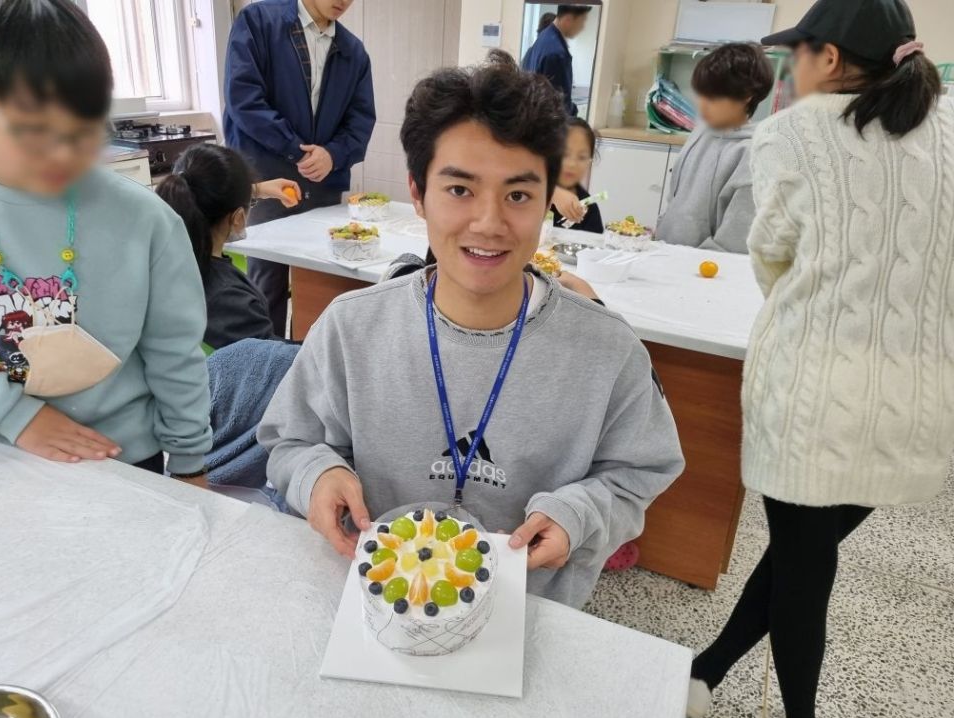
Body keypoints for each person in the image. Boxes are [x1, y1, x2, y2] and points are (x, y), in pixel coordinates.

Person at [257, 51, 684, 609]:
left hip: (531, 609)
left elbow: (640, 470)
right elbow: (290, 440)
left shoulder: (608, 351)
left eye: (518, 195)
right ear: (417, 192)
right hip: (376, 603)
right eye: (459, 190)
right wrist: (316, 474)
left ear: (549, 201)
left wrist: (580, 513)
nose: (488, 223)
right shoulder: (351, 329)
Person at [687, 1, 952, 718]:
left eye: (797, 54)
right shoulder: (952, 129)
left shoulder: (792, 135)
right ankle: (704, 671)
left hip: (813, 394)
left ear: (828, 59)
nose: (791, 70)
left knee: (804, 568)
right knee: (800, 556)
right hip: (916, 398)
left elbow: (772, 260)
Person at [0, 0, 211, 483]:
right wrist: (15, 414)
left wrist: (192, 464)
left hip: (125, 462)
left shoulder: (144, 219)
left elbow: (175, 353)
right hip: (5, 461)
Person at [224, 0, 376, 336]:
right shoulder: (258, 22)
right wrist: (298, 151)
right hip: (266, 179)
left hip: (324, 182)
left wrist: (333, 155)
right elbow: (244, 101)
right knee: (266, 282)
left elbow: (361, 120)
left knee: (324, 282)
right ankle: (266, 371)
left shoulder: (353, 51)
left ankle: (313, 370)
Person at [156, 145, 300, 351]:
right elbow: (272, 362)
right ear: (238, 219)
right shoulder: (228, 299)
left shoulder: (159, 258)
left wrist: (255, 190)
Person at [654, 43, 774, 254]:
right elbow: (675, 200)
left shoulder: (752, 155)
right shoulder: (701, 132)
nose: (702, 104)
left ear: (746, 96)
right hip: (667, 255)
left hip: (704, 270)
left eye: (714, 97)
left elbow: (733, 242)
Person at [521, 4, 592, 116]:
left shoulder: (543, 39)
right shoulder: (556, 53)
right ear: (568, 19)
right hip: (547, 126)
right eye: (582, 21)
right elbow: (560, 106)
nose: (583, 27)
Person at [550, 117, 604, 234]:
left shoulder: (589, 208)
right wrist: (552, 193)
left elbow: (593, 250)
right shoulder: (533, 191)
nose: (572, 164)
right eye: (564, 154)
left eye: (582, 157)